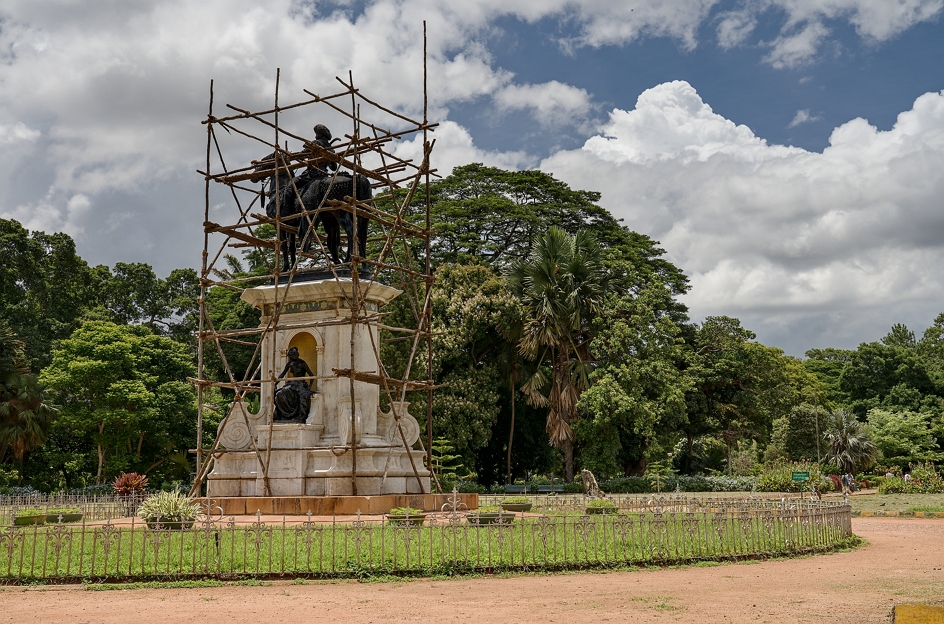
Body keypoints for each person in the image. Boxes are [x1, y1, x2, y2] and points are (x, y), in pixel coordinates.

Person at [273, 347, 315, 422]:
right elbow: (282, 374)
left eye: (290, 356)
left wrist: (309, 387)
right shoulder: (289, 363)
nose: (289, 358)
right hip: (292, 384)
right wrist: (275, 383)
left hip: (300, 384)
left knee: (302, 397)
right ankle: (285, 414)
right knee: (278, 394)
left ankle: (298, 415)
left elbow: (312, 376)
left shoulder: (302, 363)